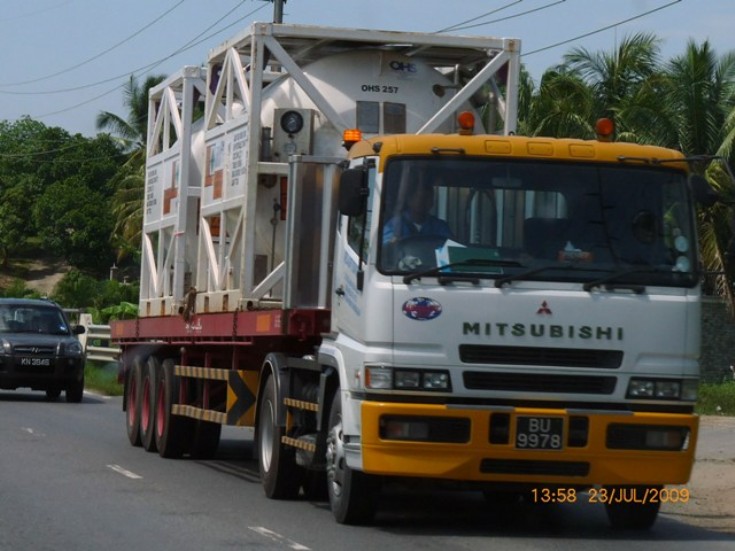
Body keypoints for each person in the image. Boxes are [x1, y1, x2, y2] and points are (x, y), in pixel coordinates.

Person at [383, 180, 451, 243]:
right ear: (409, 200)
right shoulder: (395, 225)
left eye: (429, 198)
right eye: (421, 198)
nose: (425, 202)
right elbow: (386, 249)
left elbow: (451, 247)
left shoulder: (440, 226)